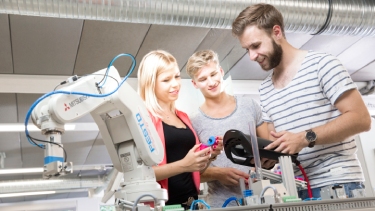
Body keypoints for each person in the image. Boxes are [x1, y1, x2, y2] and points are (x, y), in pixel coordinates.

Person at [231, 3, 372, 199]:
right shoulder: (265, 89)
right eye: (247, 49)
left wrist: (305, 138)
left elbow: (361, 119)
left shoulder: (323, 64)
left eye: (255, 46)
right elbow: (280, 142)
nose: (252, 56)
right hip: (295, 189)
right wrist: (267, 157)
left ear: (277, 32)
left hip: (337, 184)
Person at [186, 49, 274, 207]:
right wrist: (218, 174)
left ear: (221, 71)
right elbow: (192, 171)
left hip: (261, 199)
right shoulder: (193, 122)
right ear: (194, 84)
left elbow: (268, 152)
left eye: (213, 74)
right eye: (203, 79)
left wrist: (265, 163)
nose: (211, 82)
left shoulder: (250, 106)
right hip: (221, 204)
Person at [137, 50, 211, 208]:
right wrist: (185, 164)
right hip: (165, 206)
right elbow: (141, 174)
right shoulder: (143, 120)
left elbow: (193, 166)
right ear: (150, 83)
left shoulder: (183, 117)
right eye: (166, 80)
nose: (175, 84)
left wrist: (208, 156)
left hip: (193, 203)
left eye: (177, 76)